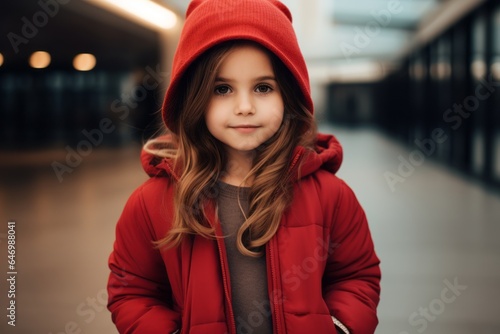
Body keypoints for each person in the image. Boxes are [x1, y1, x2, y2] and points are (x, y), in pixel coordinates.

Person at [106, 0, 381, 333]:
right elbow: (133, 292)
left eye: (263, 87)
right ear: (193, 99)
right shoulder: (153, 203)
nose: (245, 107)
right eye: (222, 89)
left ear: (289, 96)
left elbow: (356, 276)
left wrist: (339, 327)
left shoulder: (331, 196)